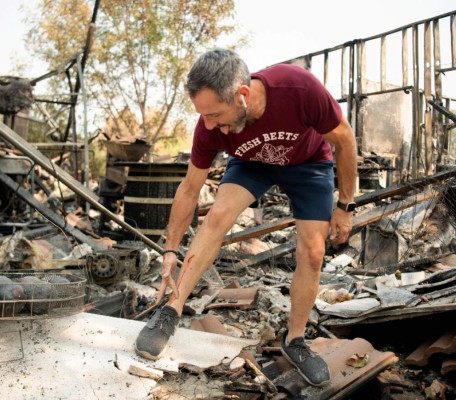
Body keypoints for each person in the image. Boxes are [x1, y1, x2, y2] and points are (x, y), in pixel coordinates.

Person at [135, 48, 357, 387]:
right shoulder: (209, 127)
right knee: (218, 216)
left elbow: (345, 139)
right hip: (251, 163)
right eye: (203, 115)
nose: (208, 125)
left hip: (308, 163)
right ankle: (170, 311)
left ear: (242, 95)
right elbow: (190, 189)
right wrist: (170, 249)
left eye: (215, 115)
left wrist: (345, 204)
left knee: (313, 252)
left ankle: (295, 340)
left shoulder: (299, 89)